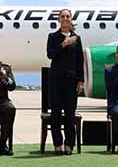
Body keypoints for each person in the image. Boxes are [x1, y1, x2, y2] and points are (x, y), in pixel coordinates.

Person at [46, 8, 84, 155]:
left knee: (70, 114)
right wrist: (63, 44)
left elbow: (80, 61)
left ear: (71, 19)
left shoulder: (77, 38)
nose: (65, 18)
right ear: (59, 19)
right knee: (55, 114)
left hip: (71, 81)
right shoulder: (53, 37)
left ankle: (69, 144)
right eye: (63, 16)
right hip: (56, 80)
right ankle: (57, 143)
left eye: (68, 16)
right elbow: (50, 54)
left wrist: (81, 80)